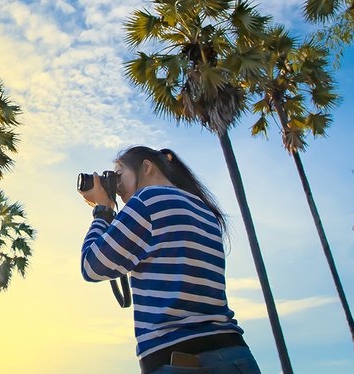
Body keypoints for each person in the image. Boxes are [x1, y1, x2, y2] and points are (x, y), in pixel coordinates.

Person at [79, 145, 261, 374]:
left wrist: (102, 211)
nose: (117, 184)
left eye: (119, 174)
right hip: (235, 354)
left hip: (178, 358)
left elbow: (92, 266)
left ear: (147, 167)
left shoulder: (147, 200)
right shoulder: (205, 211)